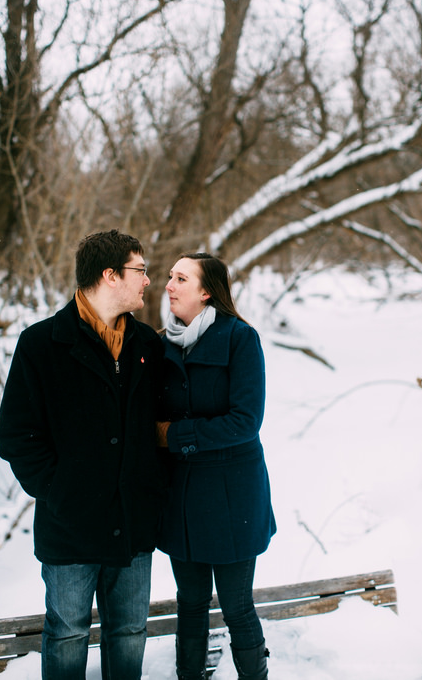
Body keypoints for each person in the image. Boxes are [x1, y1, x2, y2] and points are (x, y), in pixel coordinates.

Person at [0, 229, 166, 680]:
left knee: (129, 630)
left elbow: (161, 427)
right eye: (139, 271)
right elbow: (15, 436)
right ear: (110, 276)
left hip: (133, 525)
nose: (147, 281)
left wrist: (151, 489)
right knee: (68, 632)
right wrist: (59, 491)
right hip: (69, 527)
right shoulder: (41, 345)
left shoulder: (148, 346)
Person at [155, 253, 276, 680]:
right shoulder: (159, 343)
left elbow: (246, 421)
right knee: (189, 602)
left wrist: (174, 436)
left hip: (232, 498)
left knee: (235, 603)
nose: (168, 284)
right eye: (170, 276)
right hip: (181, 498)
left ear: (206, 291)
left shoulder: (241, 338)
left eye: (180, 278)